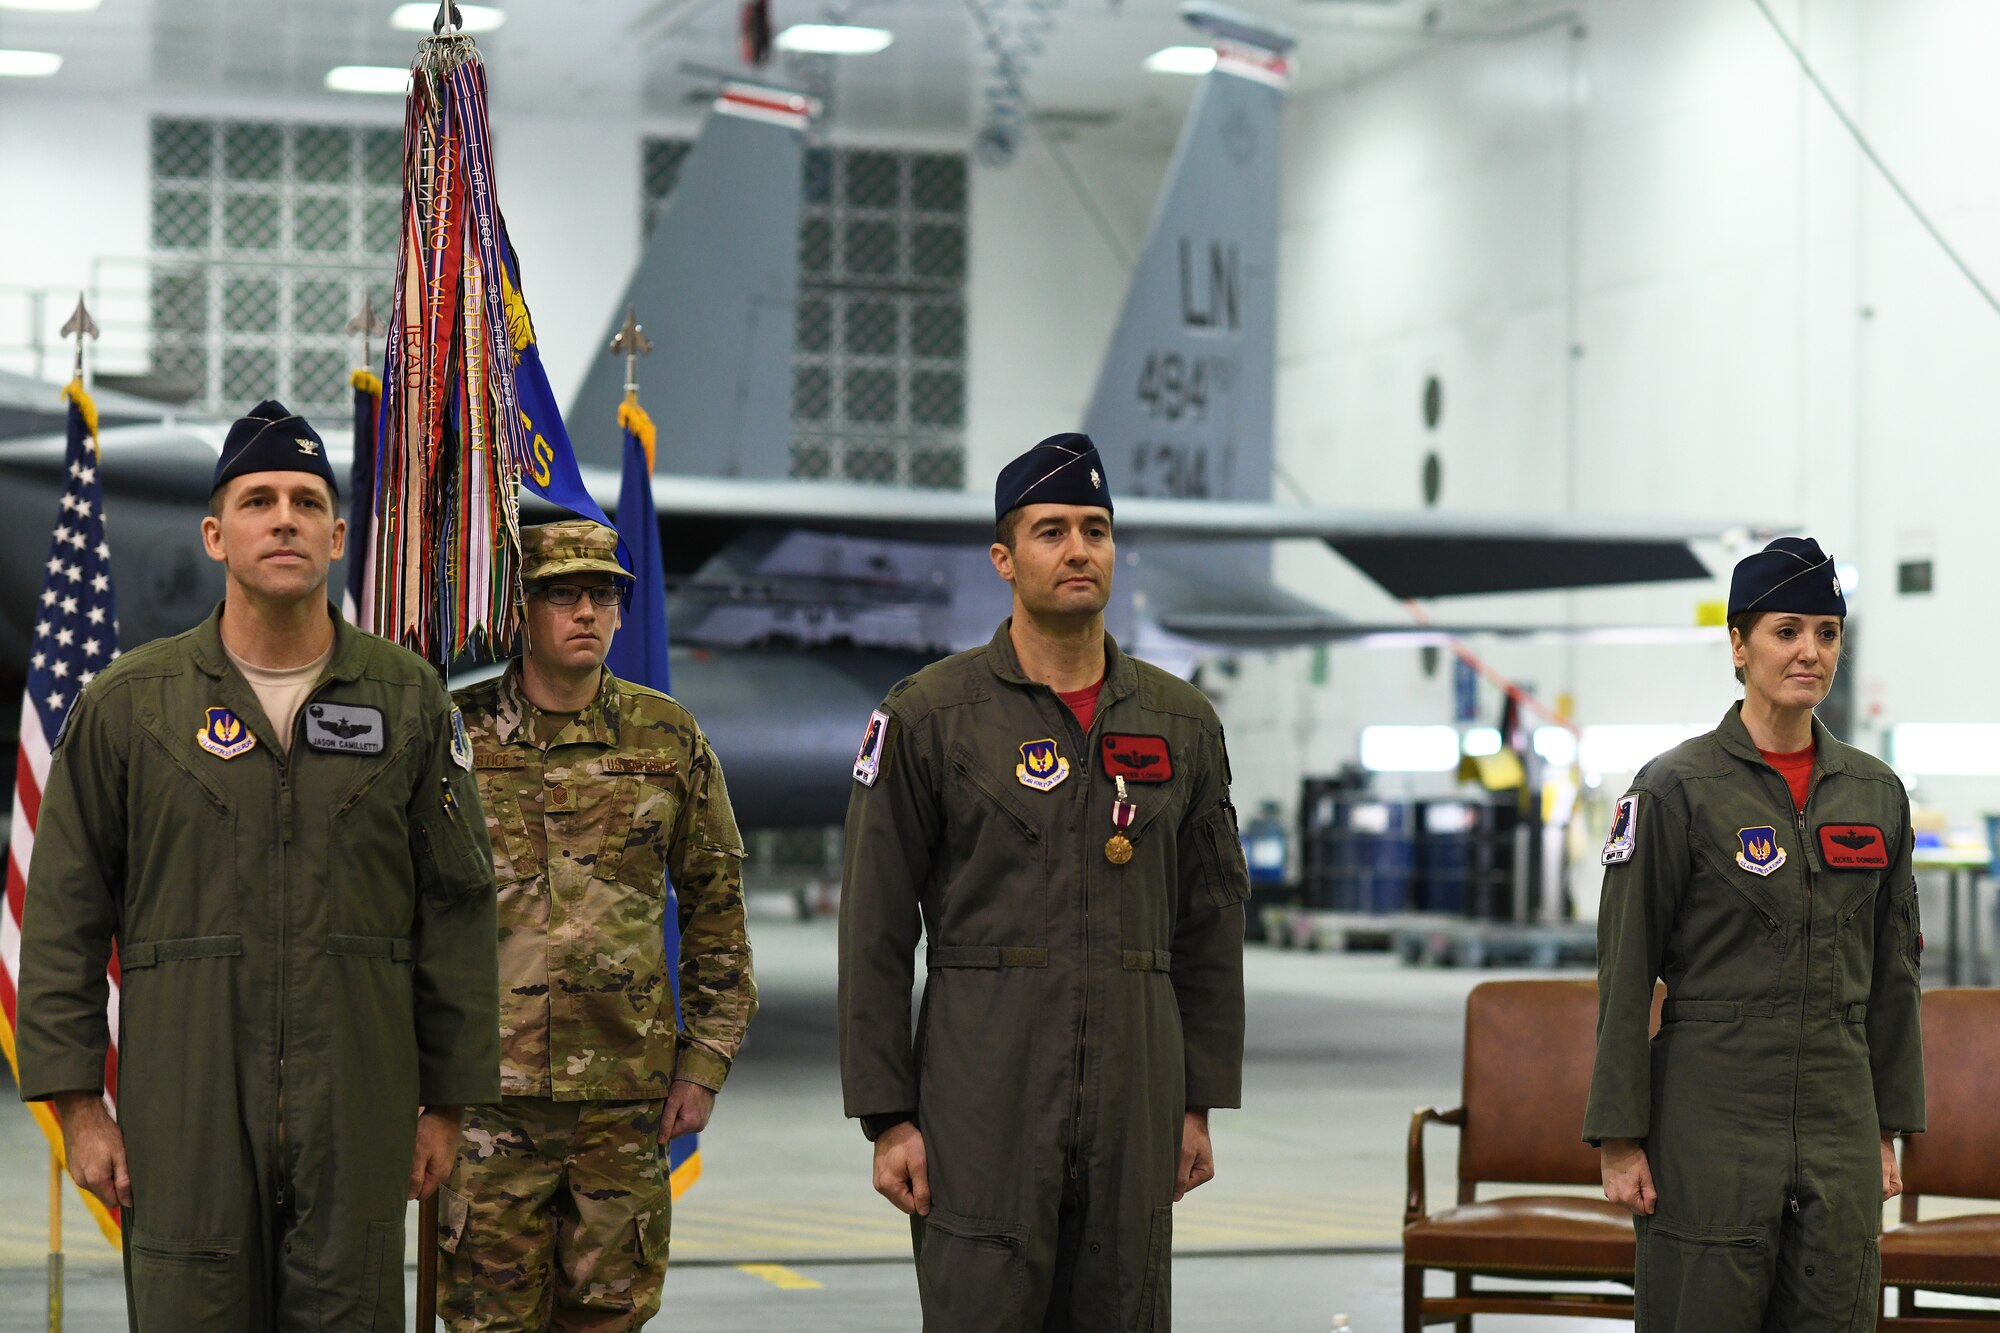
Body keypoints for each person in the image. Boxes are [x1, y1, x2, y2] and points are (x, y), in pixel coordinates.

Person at [16, 399, 500, 1329]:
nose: (285, 518)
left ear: (337, 534)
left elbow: (457, 910)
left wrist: (446, 1103)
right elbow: (64, 919)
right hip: (184, 1111)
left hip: (356, 1111)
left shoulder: (408, 703)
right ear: (214, 533)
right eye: (259, 499)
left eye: (307, 501)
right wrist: (79, 1107)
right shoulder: (130, 707)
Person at [839, 432, 1249, 1332]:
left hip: (1134, 1094)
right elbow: (873, 926)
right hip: (982, 1090)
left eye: (1095, 530)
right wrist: (887, 1116)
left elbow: (1210, 923)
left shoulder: (1182, 723)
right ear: (1004, 557)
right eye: (1051, 530)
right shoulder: (930, 715)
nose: (1078, 550)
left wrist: (1196, 1100)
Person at [1585, 535, 1925, 1330]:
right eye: (1787, 630)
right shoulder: (1675, 790)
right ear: (1738, 644)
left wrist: (1886, 1127)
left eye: (1829, 632)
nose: (1811, 651)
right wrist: (1618, 1137)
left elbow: (1895, 975)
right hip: (1711, 1118)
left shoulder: (1877, 795)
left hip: (1839, 1117)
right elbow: (1625, 972)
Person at [440, 519, 756, 1330]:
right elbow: (410, 909)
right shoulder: (453, 736)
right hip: (487, 1107)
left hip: (623, 1106)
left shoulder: (668, 738)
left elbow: (718, 909)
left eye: (604, 593)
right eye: (562, 593)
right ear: (522, 608)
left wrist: (705, 1062)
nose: (587, 610)